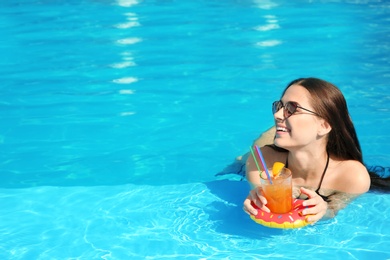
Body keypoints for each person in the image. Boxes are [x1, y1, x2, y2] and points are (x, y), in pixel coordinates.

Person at [243, 77, 371, 224]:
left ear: (324, 125)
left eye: (292, 108)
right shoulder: (261, 162)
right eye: (279, 106)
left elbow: (333, 210)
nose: (277, 114)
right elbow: (264, 203)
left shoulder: (352, 177)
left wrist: (325, 210)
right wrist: (257, 198)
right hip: (274, 143)